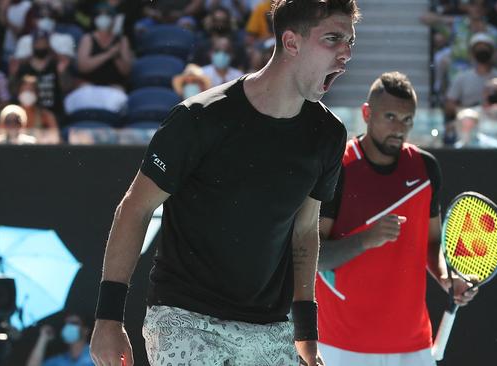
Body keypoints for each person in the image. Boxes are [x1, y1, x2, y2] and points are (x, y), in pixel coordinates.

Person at [89, 1, 359, 365]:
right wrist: (108, 318)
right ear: (291, 42)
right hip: (185, 318)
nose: (345, 53)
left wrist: (306, 335)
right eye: (333, 39)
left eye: (350, 42)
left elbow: (305, 231)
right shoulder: (198, 119)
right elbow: (135, 209)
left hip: (270, 326)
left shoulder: (328, 134)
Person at [315, 72, 478, 366]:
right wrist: (366, 239)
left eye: (407, 120)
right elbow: (313, 255)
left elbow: (432, 243)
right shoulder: (338, 167)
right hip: (340, 344)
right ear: (366, 113)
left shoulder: (426, 168)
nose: (399, 128)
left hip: (412, 345)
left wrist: (446, 278)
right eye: (390, 116)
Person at [445, 32, 497, 120]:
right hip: (470, 122)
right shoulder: (461, 78)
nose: (482, 50)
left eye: (485, 47)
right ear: (471, 53)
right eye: (478, 48)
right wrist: (467, 112)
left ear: (493, 52)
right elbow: (449, 106)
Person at [25, 312, 93, 366]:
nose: (69, 326)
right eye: (66, 324)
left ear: (85, 330)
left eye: (73, 323)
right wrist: (43, 338)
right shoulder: (59, 361)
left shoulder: (96, 355)